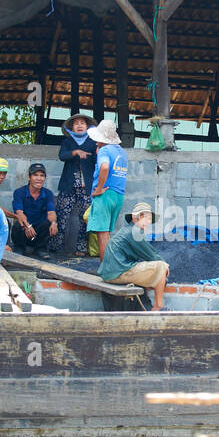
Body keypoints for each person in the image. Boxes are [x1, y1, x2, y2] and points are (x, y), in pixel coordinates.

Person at [98, 202, 170, 311]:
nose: (149, 223)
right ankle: (158, 306)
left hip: (111, 272)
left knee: (154, 271)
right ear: (139, 217)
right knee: (161, 266)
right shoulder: (134, 232)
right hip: (118, 273)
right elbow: (151, 255)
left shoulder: (128, 230)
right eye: (148, 219)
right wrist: (165, 267)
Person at [86, 119, 128, 260]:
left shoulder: (104, 150)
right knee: (107, 233)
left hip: (105, 196)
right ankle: (109, 266)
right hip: (118, 196)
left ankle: (105, 270)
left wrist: (98, 189)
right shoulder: (122, 152)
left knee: (102, 234)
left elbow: (104, 167)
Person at [57, 113, 96, 256]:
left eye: (82, 123)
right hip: (68, 186)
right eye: (76, 123)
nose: (79, 126)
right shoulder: (67, 141)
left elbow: (97, 164)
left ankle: (81, 248)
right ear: (71, 127)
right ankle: (56, 246)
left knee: (84, 218)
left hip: (86, 188)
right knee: (62, 216)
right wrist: (75, 152)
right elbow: (62, 156)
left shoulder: (92, 142)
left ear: (88, 127)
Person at [11, 163, 58, 258]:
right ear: (29, 177)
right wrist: (27, 225)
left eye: (42, 175)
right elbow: (19, 212)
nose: (39, 178)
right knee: (18, 223)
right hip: (25, 229)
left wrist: (54, 223)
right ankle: (19, 248)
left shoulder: (48, 193)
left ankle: (40, 249)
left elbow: (51, 212)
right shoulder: (19, 192)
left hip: (38, 232)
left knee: (49, 223)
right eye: (35, 175)